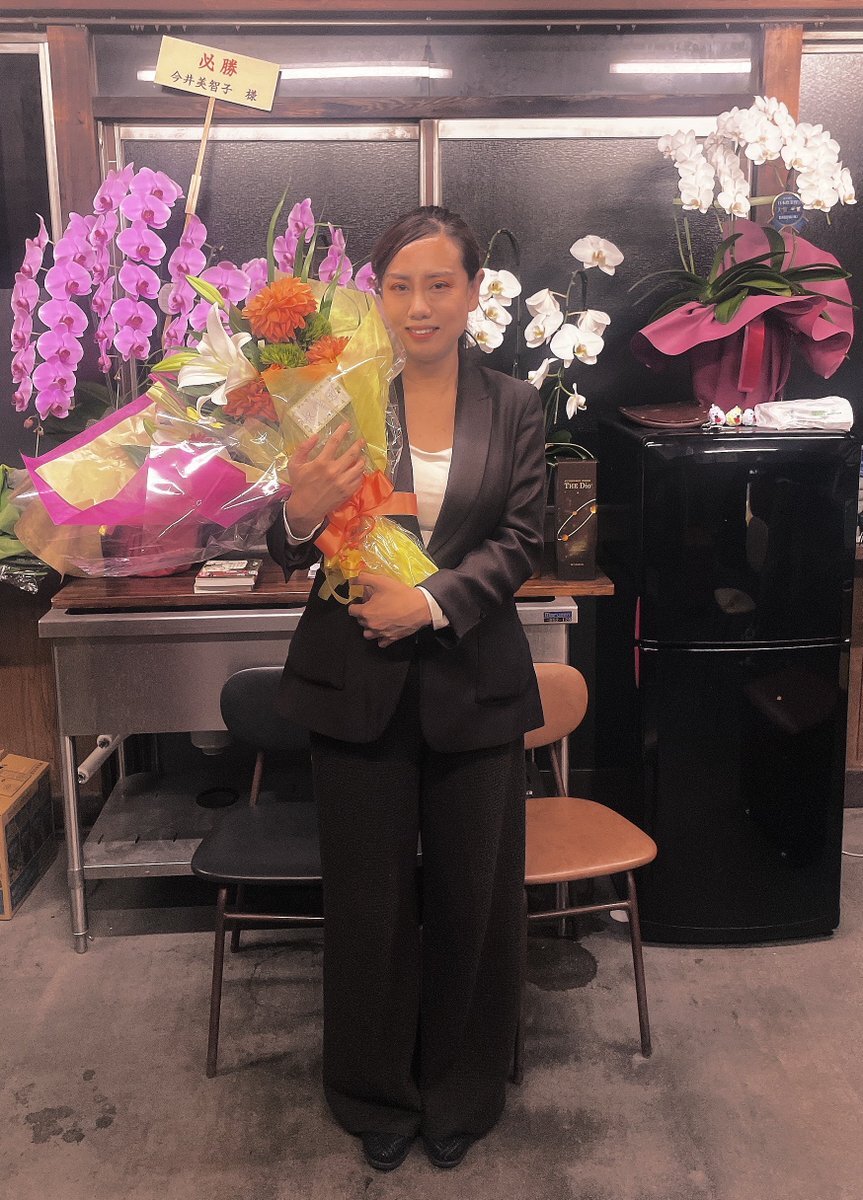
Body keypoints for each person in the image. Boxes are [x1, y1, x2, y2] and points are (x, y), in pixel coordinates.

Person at [267, 206, 546, 1172]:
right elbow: (284, 545)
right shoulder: (336, 396)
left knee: (476, 901)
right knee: (368, 903)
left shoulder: (514, 405)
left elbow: (522, 539)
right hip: (356, 680)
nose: (418, 305)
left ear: (472, 294)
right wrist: (297, 514)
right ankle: (372, 1090)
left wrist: (426, 604)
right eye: (399, 285)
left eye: (438, 284)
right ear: (375, 296)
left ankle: (463, 1087)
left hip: (473, 683)